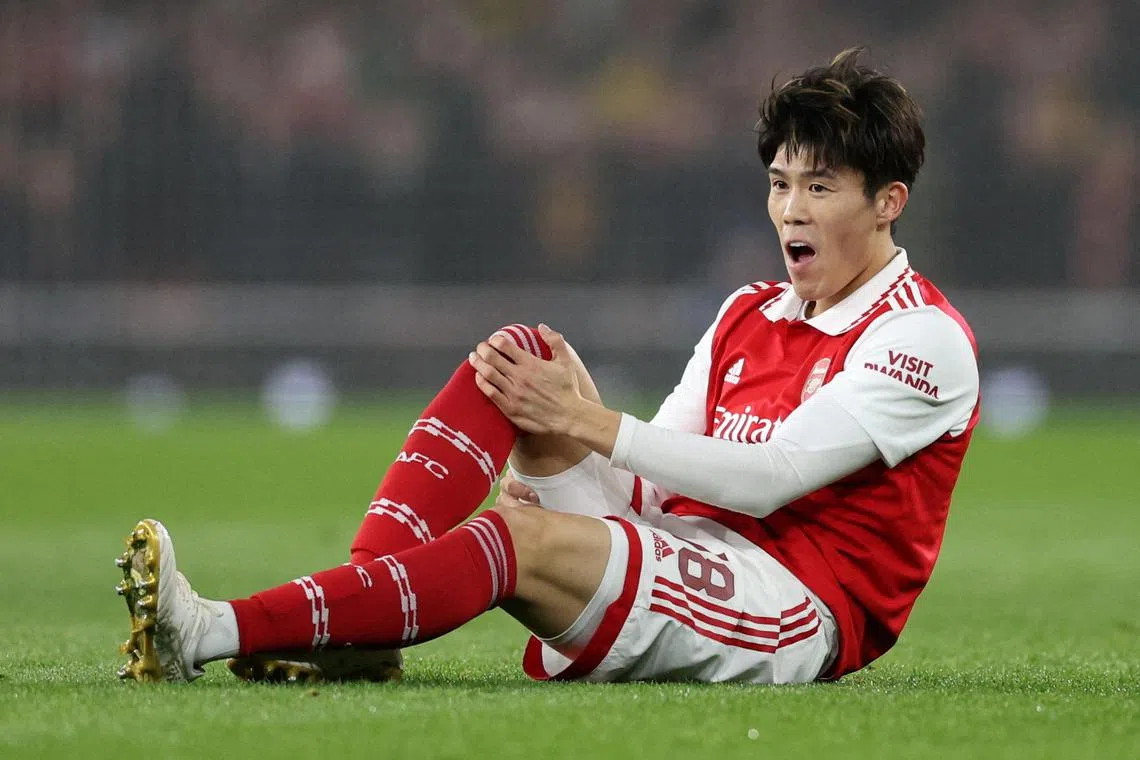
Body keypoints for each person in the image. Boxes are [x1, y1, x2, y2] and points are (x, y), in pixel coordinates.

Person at [115, 48, 979, 685]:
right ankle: (362, 626)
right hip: (693, 545)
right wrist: (570, 445)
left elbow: (770, 479)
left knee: (517, 536)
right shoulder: (748, 312)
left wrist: (583, 426)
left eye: (820, 187)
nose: (789, 209)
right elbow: (659, 486)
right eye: (780, 183)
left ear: (888, 202)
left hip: (790, 607)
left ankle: (214, 630)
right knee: (519, 359)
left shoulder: (921, 340)